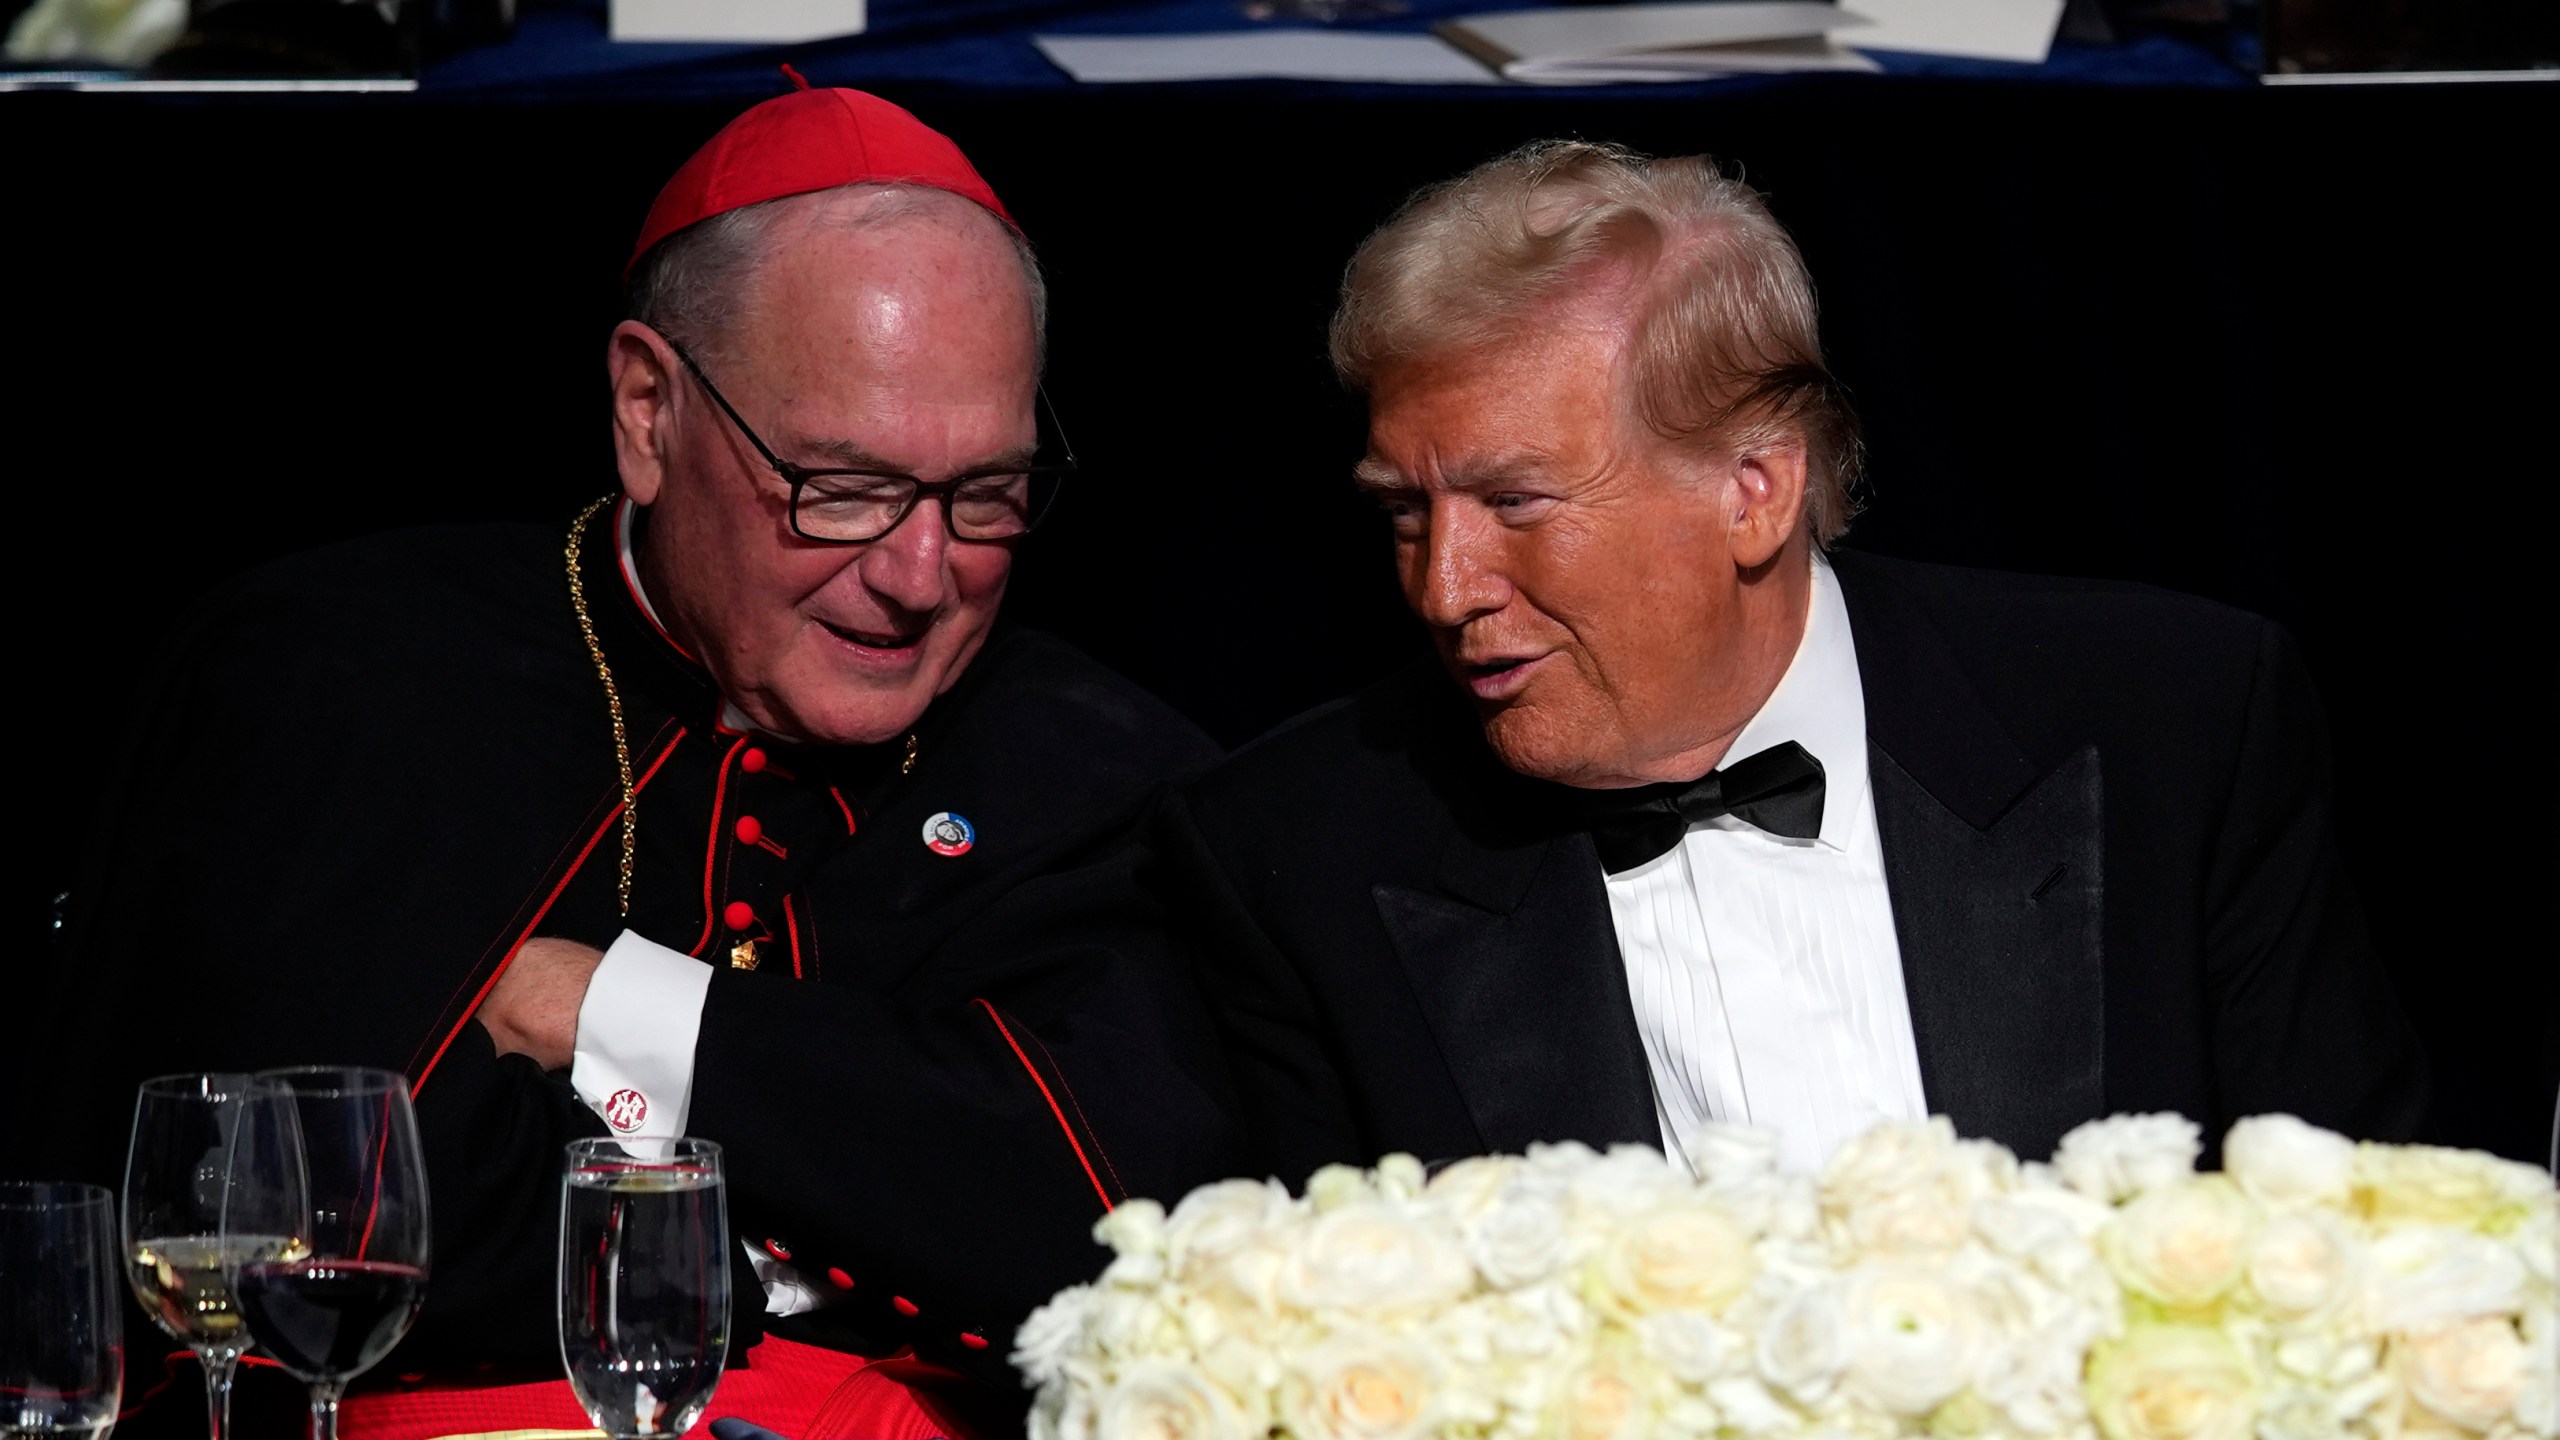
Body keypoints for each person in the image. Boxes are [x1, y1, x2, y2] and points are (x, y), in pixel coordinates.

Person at [31, 83, 1238, 1435]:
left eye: (989, 497)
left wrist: (592, 1002)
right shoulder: (338, 675)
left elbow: (1134, 1240)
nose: (919, 573)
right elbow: (282, 1227)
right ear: (651, 413)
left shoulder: (1106, 765)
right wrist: (839, 1208)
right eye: (840, 489)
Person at [1158, 140, 2426, 1188]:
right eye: (1402, 512)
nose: (1443, 588)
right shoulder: (1299, 855)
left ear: (1754, 491)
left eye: (1518, 503)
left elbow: (2365, 1240)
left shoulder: (2174, 722)